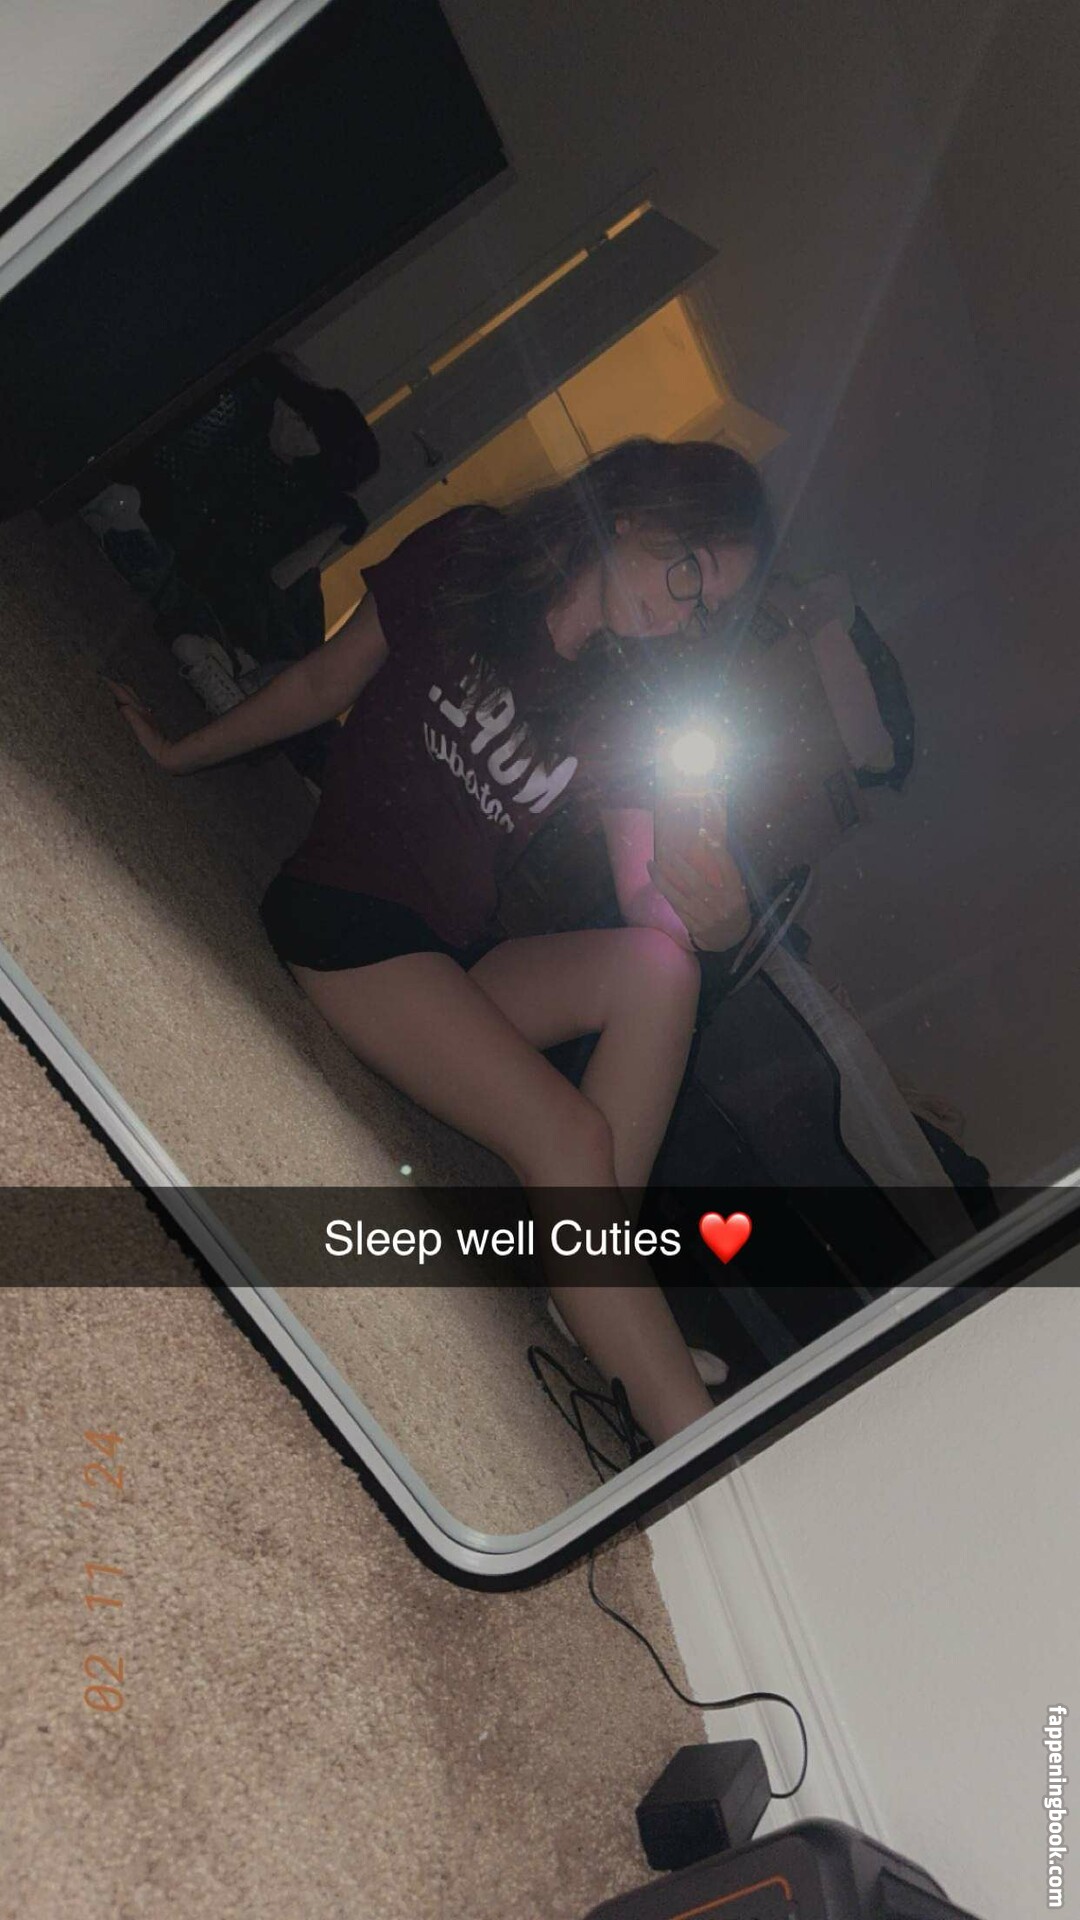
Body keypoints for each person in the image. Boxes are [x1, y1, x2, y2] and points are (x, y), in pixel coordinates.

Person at [109, 437, 771, 1450]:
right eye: (691, 576)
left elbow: (647, 906)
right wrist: (176, 754)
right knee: (567, 1137)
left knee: (664, 968)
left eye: (707, 608)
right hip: (347, 919)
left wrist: (717, 918)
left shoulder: (619, 705)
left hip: (452, 961)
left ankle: (584, 1284)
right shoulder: (472, 555)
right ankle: (700, 1454)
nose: (684, 616)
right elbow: (323, 681)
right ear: (638, 513)